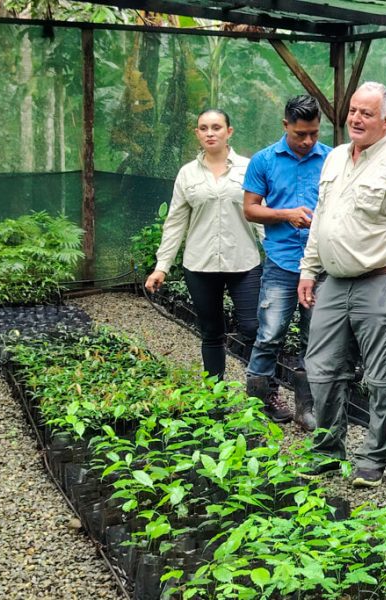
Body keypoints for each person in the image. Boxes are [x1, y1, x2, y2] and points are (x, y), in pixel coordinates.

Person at [297, 82, 386, 488]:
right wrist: (309, 270)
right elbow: (321, 218)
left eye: (367, 113)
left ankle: (373, 459)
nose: (356, 119)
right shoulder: (334, 158)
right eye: (353, 111)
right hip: (333, 282)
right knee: (322, 369)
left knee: (382, 377)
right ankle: (328, 450)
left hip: (378, 282)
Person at [145, 109, 262, 382]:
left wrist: (282, 260)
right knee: (211, 332)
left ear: (229, 132)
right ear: (197, 133)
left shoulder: (249, 168)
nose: (210, 133)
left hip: (243, 262)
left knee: (253, 328)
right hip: (200, 264)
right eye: (204, 128)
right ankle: (214, 396)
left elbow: (261, 216)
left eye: (216, 127)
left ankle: (260, 392)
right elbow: (175, 222)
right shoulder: (187, 173)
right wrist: (162, 267)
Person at [242, 95, 332, 428]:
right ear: (285, 126)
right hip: (281, 262)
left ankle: (306, 408)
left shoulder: (333, 159)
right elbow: (250, 208)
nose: (308, 141)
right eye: (300, 134)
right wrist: (285, 215)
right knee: (270, 334)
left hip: (322, 265)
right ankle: (260, 402)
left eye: (314, 133)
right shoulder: (264, 160)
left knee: (315, 338)